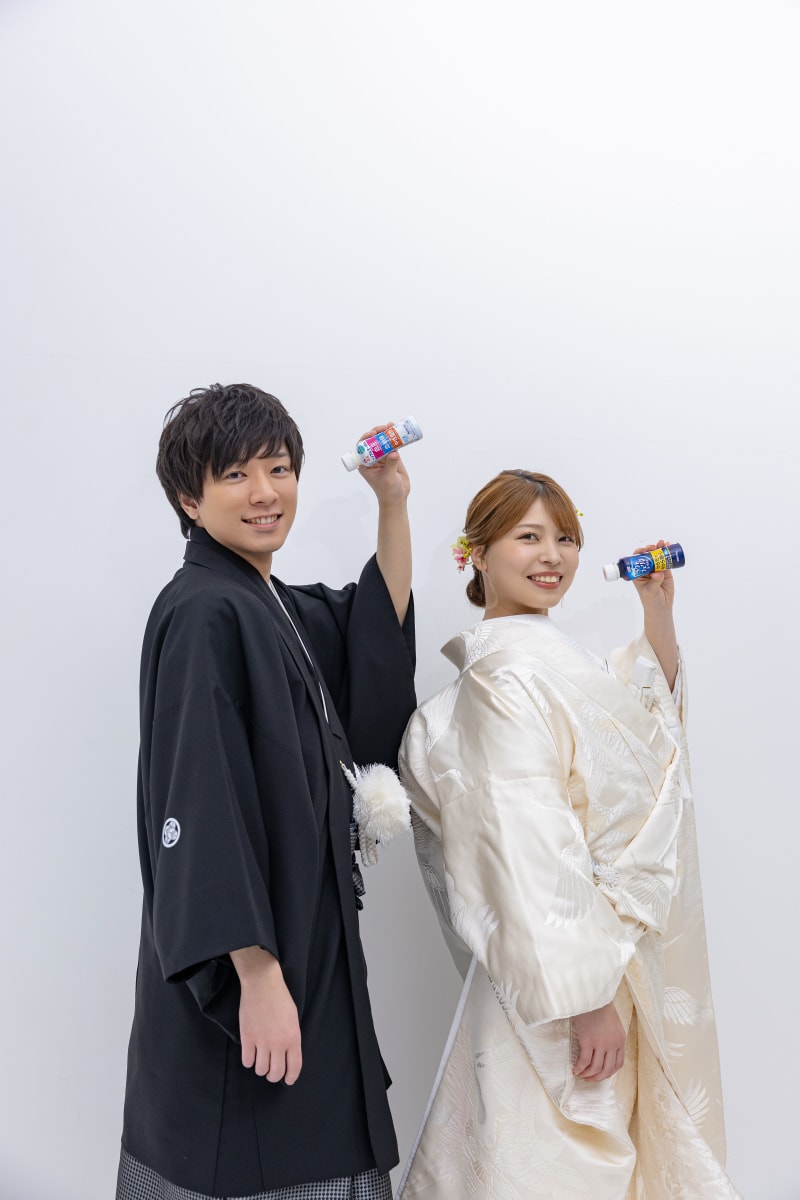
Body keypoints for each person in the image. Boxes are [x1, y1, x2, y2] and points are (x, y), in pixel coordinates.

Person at [397, 469, 741, 1199]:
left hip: (604, 962)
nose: (552, 555)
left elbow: (648, 737)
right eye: (528, 537)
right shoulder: (501, 680)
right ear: (476, 554)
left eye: (565, 538)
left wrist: (656, 612)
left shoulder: (549, 662)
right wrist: (586, 998)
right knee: (557, 1169)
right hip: (566, 985)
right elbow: (524, 844)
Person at [116, 384, 415, 1200]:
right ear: (189, 499)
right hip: (253, 961)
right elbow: (200, 796)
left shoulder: (266, 601)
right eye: (235, 475)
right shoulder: (203, 612)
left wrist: (392, 502)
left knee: (305, 1136)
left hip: (304, 945)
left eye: (278, 469)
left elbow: (372, 635)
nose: (264, 493)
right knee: (251, 1148)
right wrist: (253, 974)